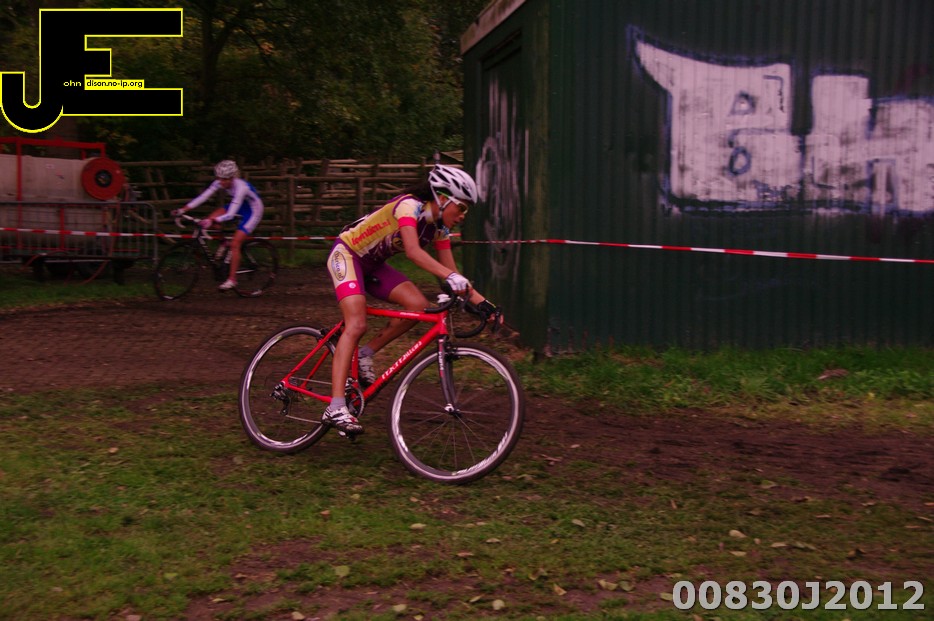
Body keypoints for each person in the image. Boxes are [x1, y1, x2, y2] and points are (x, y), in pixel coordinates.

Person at [323, 164, 502, 435]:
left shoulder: (439, 228)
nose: (463, 215)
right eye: (462, 207)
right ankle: (335, 406)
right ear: (443, 198)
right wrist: (451, 277)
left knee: (419, 306)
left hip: (373, 265)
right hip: (347, 254)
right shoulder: (409, 207)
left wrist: (484, 304)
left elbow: (451, 273)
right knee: (356, 324)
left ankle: (364, 354)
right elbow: (413, 252)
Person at [172, 160, 264, 290]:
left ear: (232, 177)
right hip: (240, 205)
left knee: (235, 244)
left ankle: (232, 280)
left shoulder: (241, 187)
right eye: (219, 178)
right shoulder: (219, 182)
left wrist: (214, 220)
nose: (221, 182)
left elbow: (230, 214)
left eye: (225, 179)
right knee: (211, 218)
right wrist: (183, 210)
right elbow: (203, 197)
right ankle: (223, 242)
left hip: (253, 210)